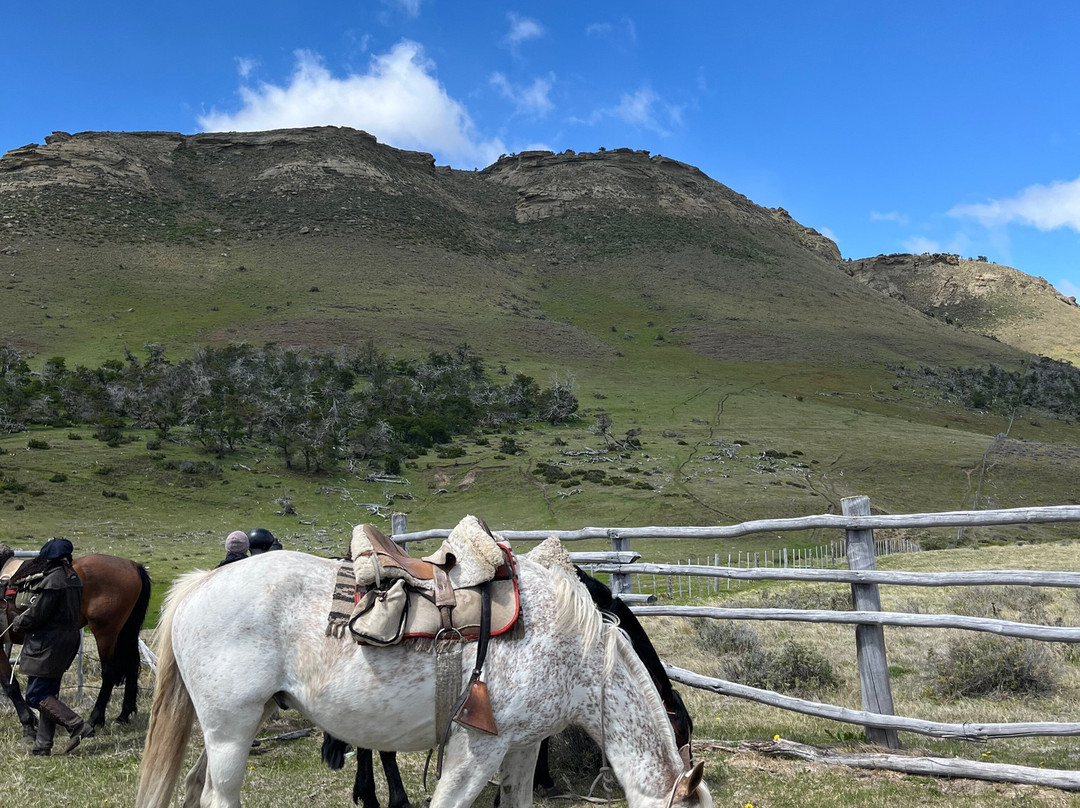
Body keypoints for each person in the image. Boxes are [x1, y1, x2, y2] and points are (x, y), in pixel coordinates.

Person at [11, 537, 95, 755]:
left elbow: (39, 613)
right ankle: (42, 746)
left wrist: (19, 621)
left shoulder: (53, 580)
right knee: (49, 693)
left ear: (48, 557)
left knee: (35, 696)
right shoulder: (73, 577)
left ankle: (76, 724)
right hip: (67, 639)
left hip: (48, 643)